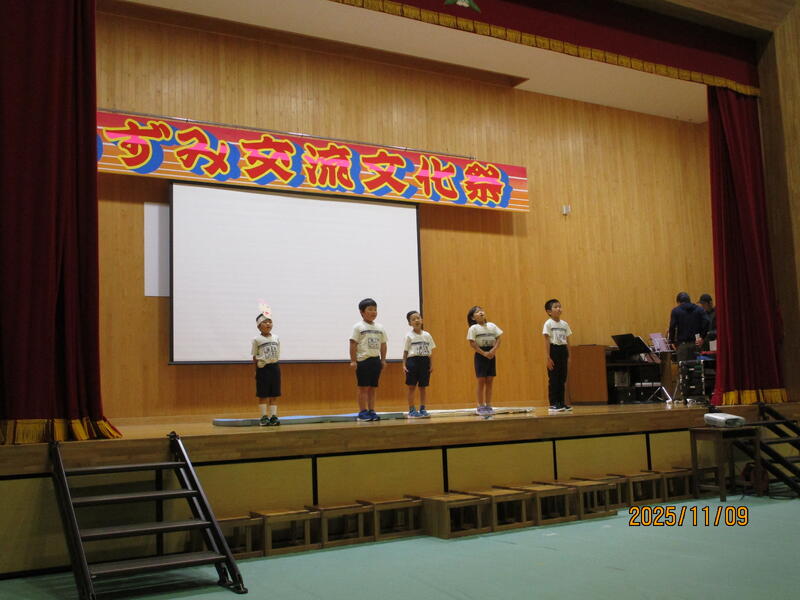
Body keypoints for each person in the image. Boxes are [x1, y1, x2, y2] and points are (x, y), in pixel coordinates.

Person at [349, 298, 388, 422]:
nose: (373, 312)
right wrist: (353, 361)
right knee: (363, 388)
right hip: (363, 361)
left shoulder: (380, 327)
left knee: (373, 388)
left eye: (375, 309)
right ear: (362, 312)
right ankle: (362, 412)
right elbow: (353, 344)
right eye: (370, 309)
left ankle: (371, 410)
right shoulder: (358, 327)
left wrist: (383, 360)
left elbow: (383, 344)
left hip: (375, 361)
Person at [466, 306, 503, 415]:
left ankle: (489, 404)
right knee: (481, 381)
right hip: (480, 355)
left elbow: (498, 338)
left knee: (490, 380)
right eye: (477, 312)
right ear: (473, 317)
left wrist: (493, 350)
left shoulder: (492, 326)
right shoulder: (473, 328)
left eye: (481, 311)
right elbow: (472, 343)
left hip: (491, 354)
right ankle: (480, 405)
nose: (481, 312)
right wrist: (483, 353)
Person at [402, 310, 435, 418]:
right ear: (409, 323)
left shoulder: (427, 335)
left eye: (418, 318)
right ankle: (412, 410)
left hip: (424, 362)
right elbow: (405, 352)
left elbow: (430, 352)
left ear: (422, 320)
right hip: (412, 362)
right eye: (413, 319)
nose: (416, 320)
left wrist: (431, 364)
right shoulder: (409, 336)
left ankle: (423, 408)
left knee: (423, 387)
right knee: (411, 387)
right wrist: (404, 365)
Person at [543, 299, 573, 413]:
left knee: (562, 378)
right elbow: (546, 340)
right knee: (554, 378)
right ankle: (553, 404)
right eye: (555, 307)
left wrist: (569, 355)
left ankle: (561, 402)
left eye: (560, 306)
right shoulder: (548, 323)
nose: (559, 308)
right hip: (553, 350)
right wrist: (548, 357)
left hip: (562, 350)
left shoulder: (564, 324)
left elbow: (567, 340)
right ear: (549, 311)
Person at [252, 311, 281, 426]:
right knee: (263, 394)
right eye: (265, 322)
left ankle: (273, 416)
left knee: (274, 394)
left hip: (275, 368)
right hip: (263, 369)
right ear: (259, 326)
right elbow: (255, 356)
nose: (268, 324)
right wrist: (256, 370)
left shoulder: (276, 338)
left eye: (270, 321)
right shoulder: (256, 339)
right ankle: (264, 417)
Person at [668, 292, 707, 362]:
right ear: (689, 300)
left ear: (678, 302)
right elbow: (707, 321)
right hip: (696, 344)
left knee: (683, 367)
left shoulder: (676, 311)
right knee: (697, 366)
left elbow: (672, 327)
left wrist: (672, 341)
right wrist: (702, 337)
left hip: (682, 345)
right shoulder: (699, 309)